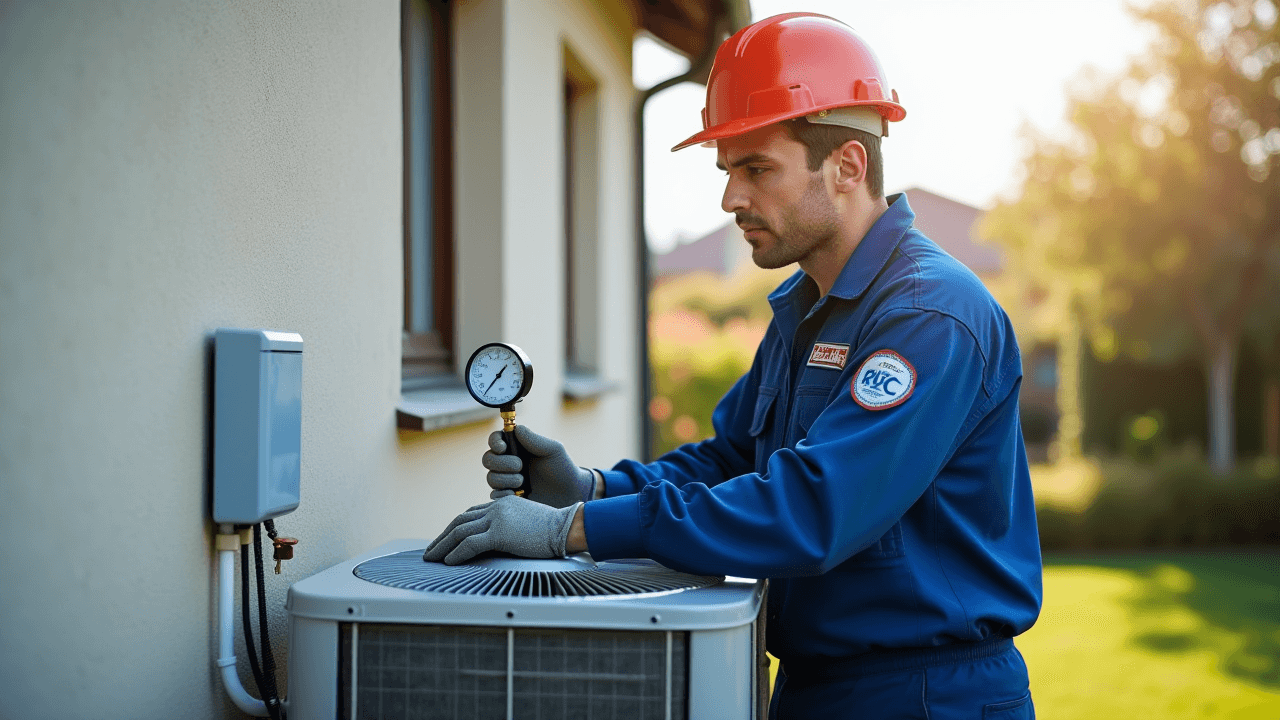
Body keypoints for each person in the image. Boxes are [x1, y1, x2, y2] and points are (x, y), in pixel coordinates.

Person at [426, 12, 1042, 719]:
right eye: (727, 171)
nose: (731, 199)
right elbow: (731, 462)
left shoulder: (929, 316)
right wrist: (591, 489)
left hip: (926, 694)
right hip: (822, 682)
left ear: (847, 166)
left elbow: (811, 509)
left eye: (757, 170)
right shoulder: (809, 310)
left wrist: (565, 531)